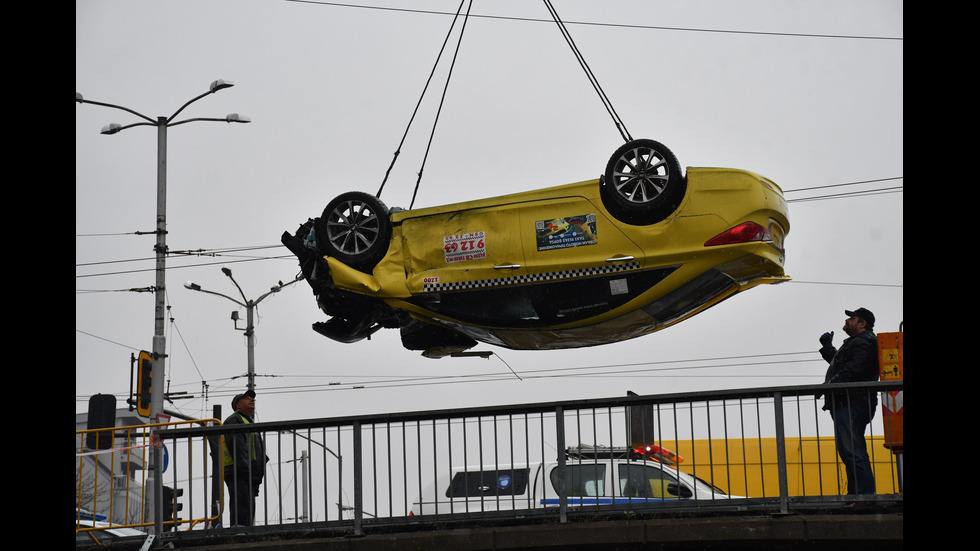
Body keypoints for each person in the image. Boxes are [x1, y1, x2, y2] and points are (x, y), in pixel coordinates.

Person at [818, 307, 879, 497]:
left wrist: (828, 386)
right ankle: (857, 497)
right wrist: (828, 348)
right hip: (848, 401)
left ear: (862, 324)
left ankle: (864, 497)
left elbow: (853, 369)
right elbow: (842, 364)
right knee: (849, 451)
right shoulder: (858, 342)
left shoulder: (863, 342)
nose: (846, 321)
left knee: (853, 451)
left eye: (851, 318)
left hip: (852, 402)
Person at [222, 390, 268, 526]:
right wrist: (246, 470)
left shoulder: (247, 422)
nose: (252, 400)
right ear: (238, 405)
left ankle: (244, 532)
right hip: (239, 472)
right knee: (241, 507)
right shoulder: (234, 420)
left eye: (252, 399)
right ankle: (239, 533)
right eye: (247, 398)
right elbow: (238, 448)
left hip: (247, 474)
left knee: (248, 509)